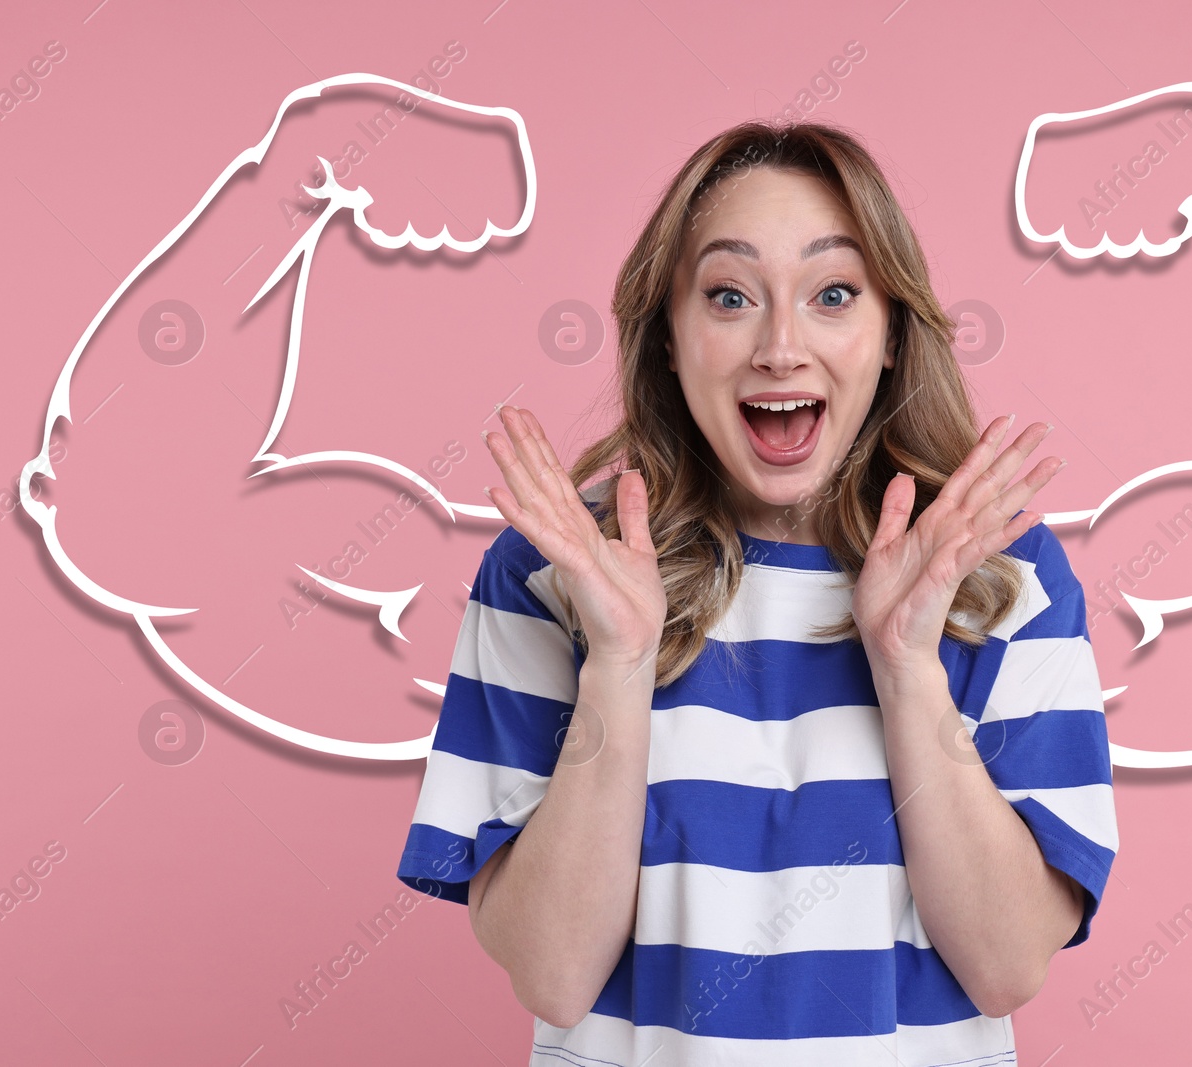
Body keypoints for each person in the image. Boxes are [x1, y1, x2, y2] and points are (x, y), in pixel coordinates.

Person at [396, 120, 1117, 1066]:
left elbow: (1008, 963)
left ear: (892, 332)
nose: (781, 347)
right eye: (730, 296)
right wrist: (618, 662)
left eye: (833, 294)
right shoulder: (558, 568)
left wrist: (906, 668)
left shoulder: (998, 574)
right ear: (666, 337)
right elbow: (552, 973)